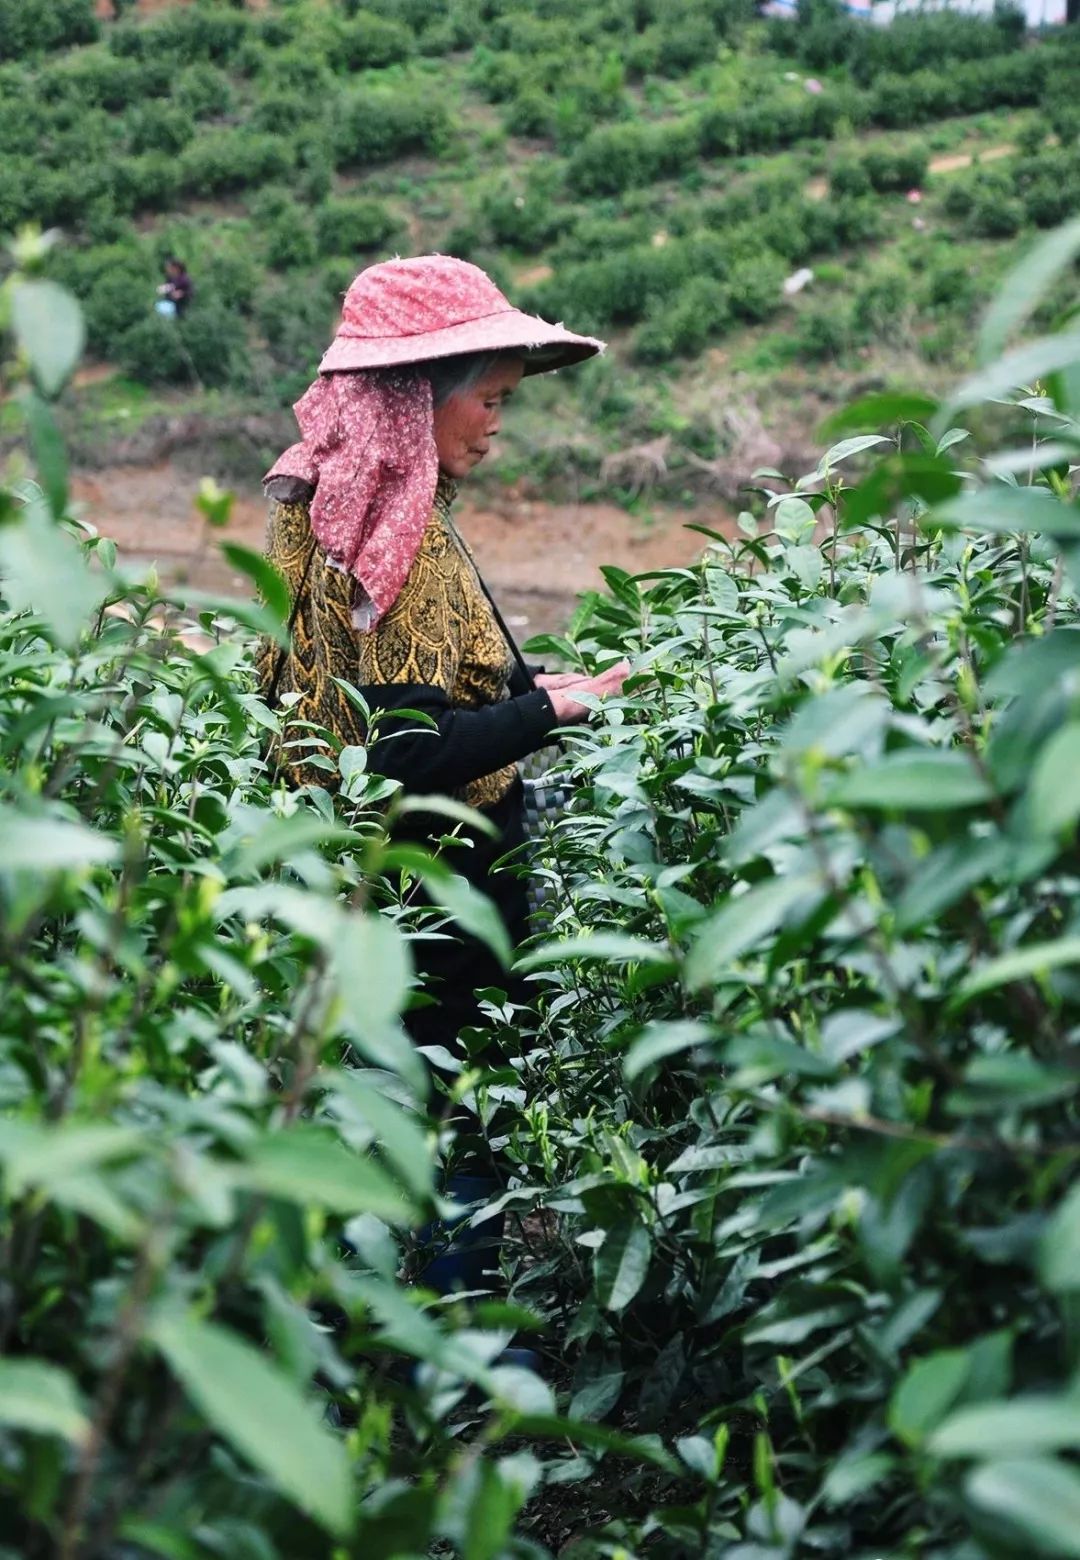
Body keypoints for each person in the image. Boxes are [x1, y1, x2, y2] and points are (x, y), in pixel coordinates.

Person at [258, 254, 628, 1077]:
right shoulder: (404, 540)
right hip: (435, 882)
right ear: (415, 395)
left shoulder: (315, 500)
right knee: (458, 1109)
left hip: (347, 868)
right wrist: (548, 714)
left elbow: (383, 692)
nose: (497, 423)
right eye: (490, 400)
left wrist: (527, 689)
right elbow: (405, 754)